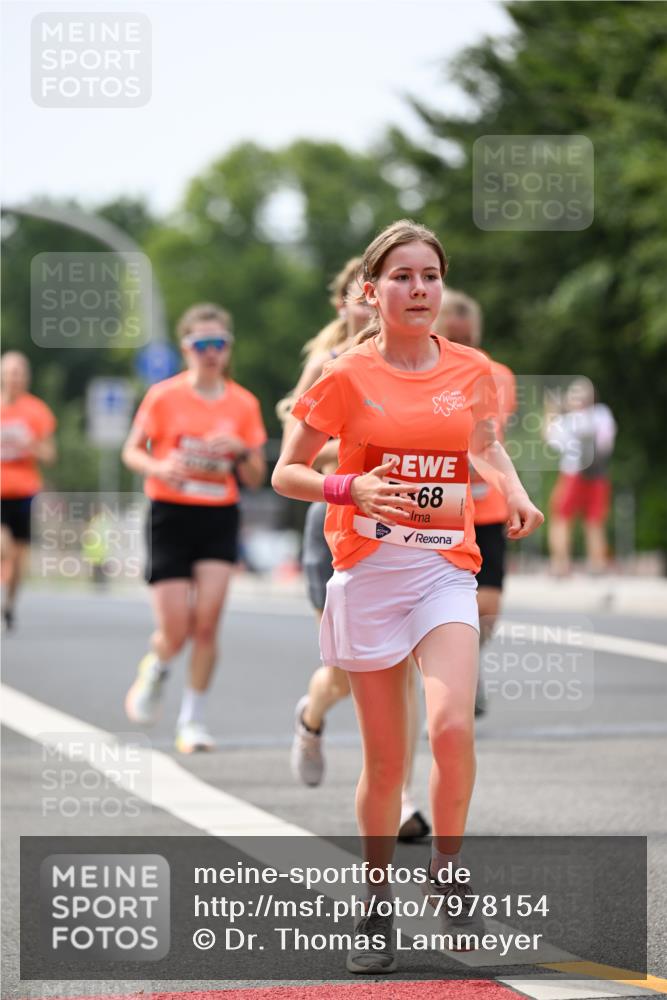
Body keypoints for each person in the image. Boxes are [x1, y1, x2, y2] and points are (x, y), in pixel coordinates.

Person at [272, 220, 543, 974]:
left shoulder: (471, 368)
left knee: (453, 728)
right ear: (371, 290)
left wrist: (512, 491)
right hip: (367, 576)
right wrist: (349, 485)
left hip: (442, 571)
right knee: (385, 765)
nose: (418, 289)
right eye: (401, 277)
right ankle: (373, 900)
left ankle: (449, 876)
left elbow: (483, 443)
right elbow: (283, 473)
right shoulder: (344, 375)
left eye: (429, 275)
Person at [279, 258, 430, 842]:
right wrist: (357, 473)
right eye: (358, 296)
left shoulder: (417, 363)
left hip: (404, 526)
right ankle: (311, 716)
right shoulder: (331, 366)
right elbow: (296, 460)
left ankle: (402, 796)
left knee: (406, 667)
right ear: (344, 303)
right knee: (349, 671)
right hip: (339, 523)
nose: (368, 305)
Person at [122, 304, 267, 753]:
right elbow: (132, 451)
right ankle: (158, 666)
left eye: (218, 344)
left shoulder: (243, 403)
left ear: (228, 349)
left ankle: (193, 720)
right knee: (176, 628)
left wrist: (242, 451)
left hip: (217, 517)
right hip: (169, 514)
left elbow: (256, 477)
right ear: (186, 348)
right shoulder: (164, 396)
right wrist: (160, 465)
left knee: (207, 625)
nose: (210, 352)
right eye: (201, 344)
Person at [435, 291, 517, 716]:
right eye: (453, 328)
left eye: (468, 330)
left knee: (488, 606)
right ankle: (451, 675)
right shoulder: (431, 370)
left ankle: (468, 664)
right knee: (447, 601)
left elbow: (494, 437)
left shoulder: (499, 374)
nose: (461, 336)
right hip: (443, 506)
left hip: (489, 508)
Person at [1, 351, 57, 631]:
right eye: (10, 373)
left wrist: (30, 444)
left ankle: (9, 605)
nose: (14, 379)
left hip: (23, 491)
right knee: (3, 545)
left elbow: (50, 454)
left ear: (27, 378)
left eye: (19, 374)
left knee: (19, 557)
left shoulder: (36, 411)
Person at [545, 377, 616, 575]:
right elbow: (606, 444)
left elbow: (551, 440)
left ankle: (560, 564)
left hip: (572, 473)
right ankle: (597, 564)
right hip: (598, 473)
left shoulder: (566, 421)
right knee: (595, 521)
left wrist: (551, 411)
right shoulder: (603, 414)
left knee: (561, 518)